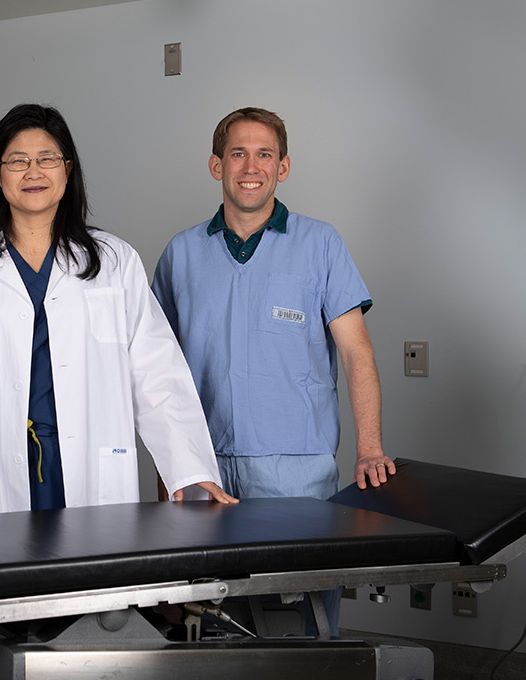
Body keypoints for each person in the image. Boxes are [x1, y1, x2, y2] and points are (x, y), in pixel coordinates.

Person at [0, 103, 233, 519]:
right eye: (17, 161)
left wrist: (188, 466)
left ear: (67, 169)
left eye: (47, 159)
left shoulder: (114, 261)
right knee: (4, 579)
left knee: (90, 577)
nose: (34, 172)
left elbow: (156, 370)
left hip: (88, 467)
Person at [151, 106, 393, 633]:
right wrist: (167, 465)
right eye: (238, 153)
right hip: (204, 465)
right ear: (217, 165)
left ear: (283, 167)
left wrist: (369, 447)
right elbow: (153, 369)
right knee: (209, 615)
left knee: (301, 614)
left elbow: (357, 354)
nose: (251, 166)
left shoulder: (320, 244)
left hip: (295, 469)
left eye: (265, 154)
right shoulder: (181, 254)